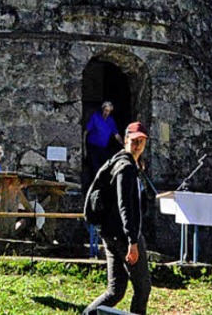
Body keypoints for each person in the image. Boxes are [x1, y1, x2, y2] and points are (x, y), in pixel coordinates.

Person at [83, 121, 151, 315]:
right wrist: (132, 241)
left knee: (115, 291)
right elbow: (125, 206)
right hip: (123, 236)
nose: (137, 145)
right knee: (143, 287)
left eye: (141, 141)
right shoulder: (125, 167)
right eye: (134, 140)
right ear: (126, 140)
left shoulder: (124, 164)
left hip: (111, 234)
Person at [83, 100, 123, 179]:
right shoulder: (95, 117)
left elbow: (116, 135)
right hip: (93, 147)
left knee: (103, 168)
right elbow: (85, 132)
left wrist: (124, 144)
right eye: (105, 110)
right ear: (102, 109)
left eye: (108, 111)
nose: (106, 112)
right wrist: (84, 149)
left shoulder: (111, 121)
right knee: (94, 168)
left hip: (103, 148)